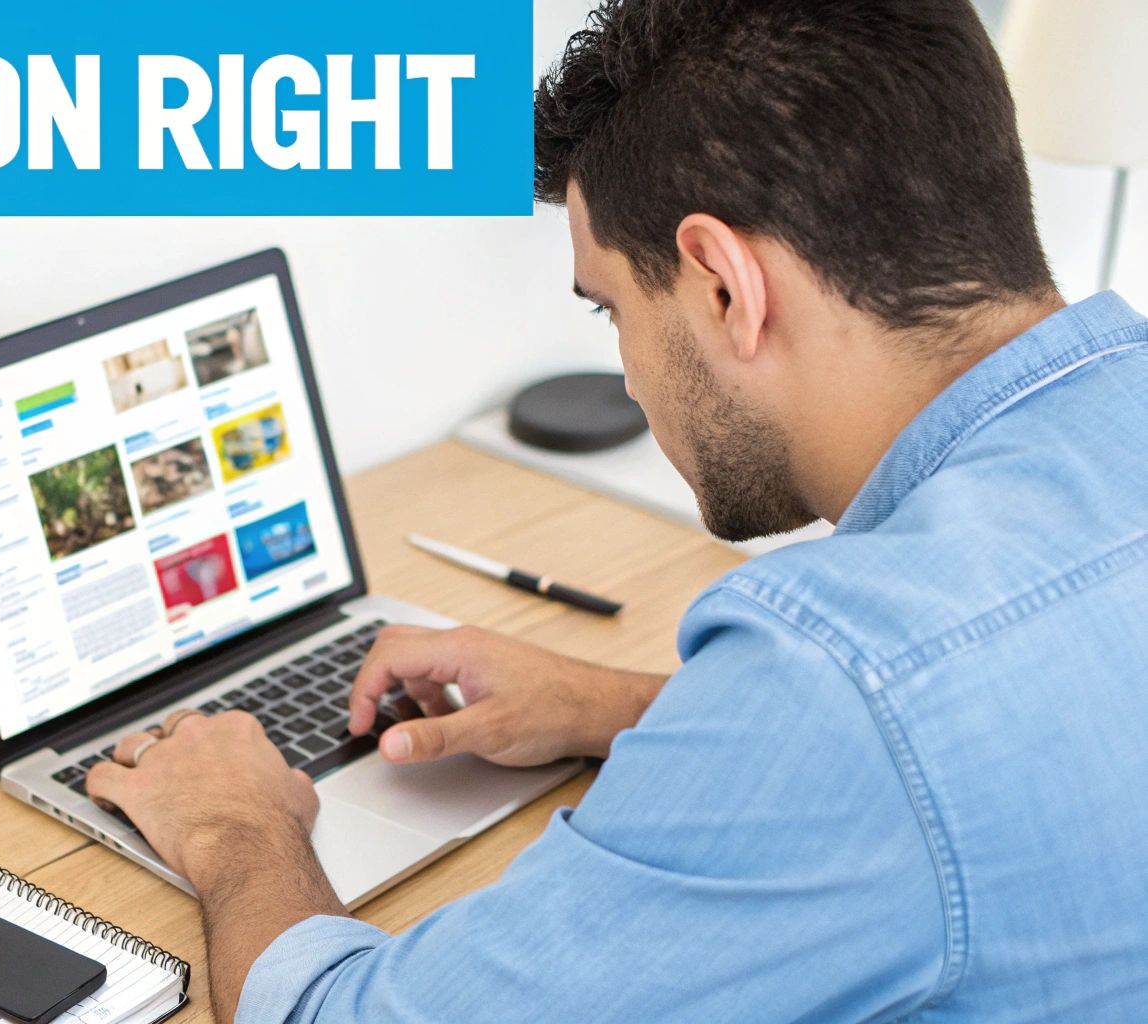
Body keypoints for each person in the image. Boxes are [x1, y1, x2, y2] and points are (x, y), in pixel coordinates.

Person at [86, 0, 1148, 1019]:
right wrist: (628, 709)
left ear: (724, 285)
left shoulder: (837, 680)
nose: (628, 378)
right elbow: (967, 737)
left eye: (610, 309)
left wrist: (238, 825)